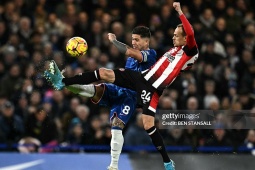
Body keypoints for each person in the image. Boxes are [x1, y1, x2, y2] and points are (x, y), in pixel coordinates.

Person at [45, 2, 197, 170]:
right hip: (138, 81)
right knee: (101, 77)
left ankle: (161, 162)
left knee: (140, 125)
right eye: (174, 34)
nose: (173, 37)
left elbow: (189, 33)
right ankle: (63, 82)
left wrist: (179, 11)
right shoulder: (172, 50)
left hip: (139, 93)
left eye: (177, 35)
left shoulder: (169, 52)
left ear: (147, 41)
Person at [47, 26, 157, 170]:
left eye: (137, 40)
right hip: (118, 89)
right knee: (93, 90)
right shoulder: (131, 57)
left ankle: (113, 166)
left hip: (131, 96)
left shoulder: (151, 54)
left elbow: (130, 51)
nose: (134, 42)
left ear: (146, 41)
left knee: (117, 125)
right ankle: (62, 82)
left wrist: (114, 41)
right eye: (132, 39)